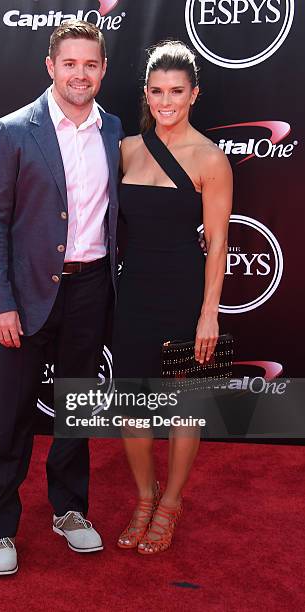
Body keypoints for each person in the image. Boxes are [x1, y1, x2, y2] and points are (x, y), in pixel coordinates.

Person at [0, 20, 122, 575]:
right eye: (70, 64)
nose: (79, 74)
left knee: (77, 406)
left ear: (103, 69)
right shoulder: (12, 131)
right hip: (27, 293)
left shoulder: (113, 131)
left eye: (90, 64)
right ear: (50, 66)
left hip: (91, 288)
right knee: (13, 415)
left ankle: (69, 509)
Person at [112, 40, 232, 554]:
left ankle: (171, 503)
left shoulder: (211, 158)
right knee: (133, 409)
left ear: (194, 94)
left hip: (185, 294)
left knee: (186, 408)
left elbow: (220, 244)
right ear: (146, 93)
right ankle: (145, 497)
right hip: (133, 291)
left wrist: (210, 314)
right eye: (158, 91)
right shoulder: (125, 149)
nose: (167, 101)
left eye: (177, 92)